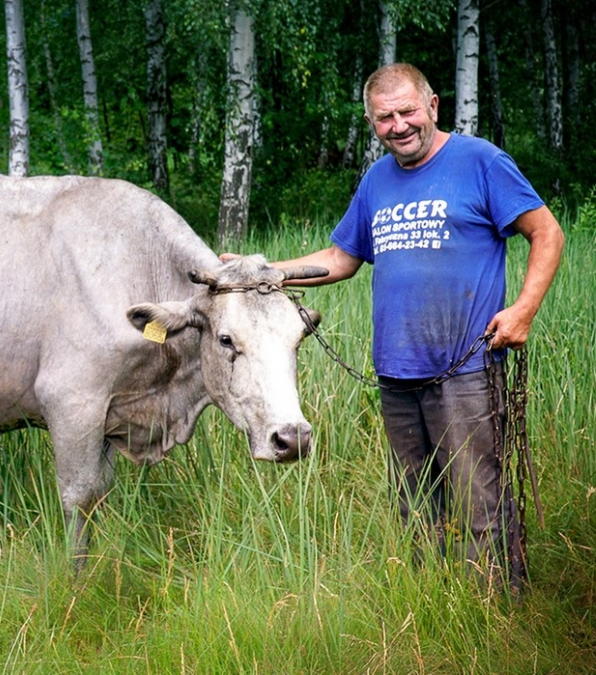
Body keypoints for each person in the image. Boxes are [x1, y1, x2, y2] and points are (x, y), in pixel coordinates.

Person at [235, 63, 564, 592]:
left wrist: (523, 311)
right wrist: (262, 272)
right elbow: (340, 259)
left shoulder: (481, 161)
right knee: (416, 504)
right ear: (372, 123)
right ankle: (429, 603)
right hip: (396, 374)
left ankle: (498, 608)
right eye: (384, 118)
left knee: (478, 499)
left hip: (467, 370)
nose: (399, 126)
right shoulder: (376, 180)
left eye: (407, 111)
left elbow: (546, 232)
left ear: (432, 106)